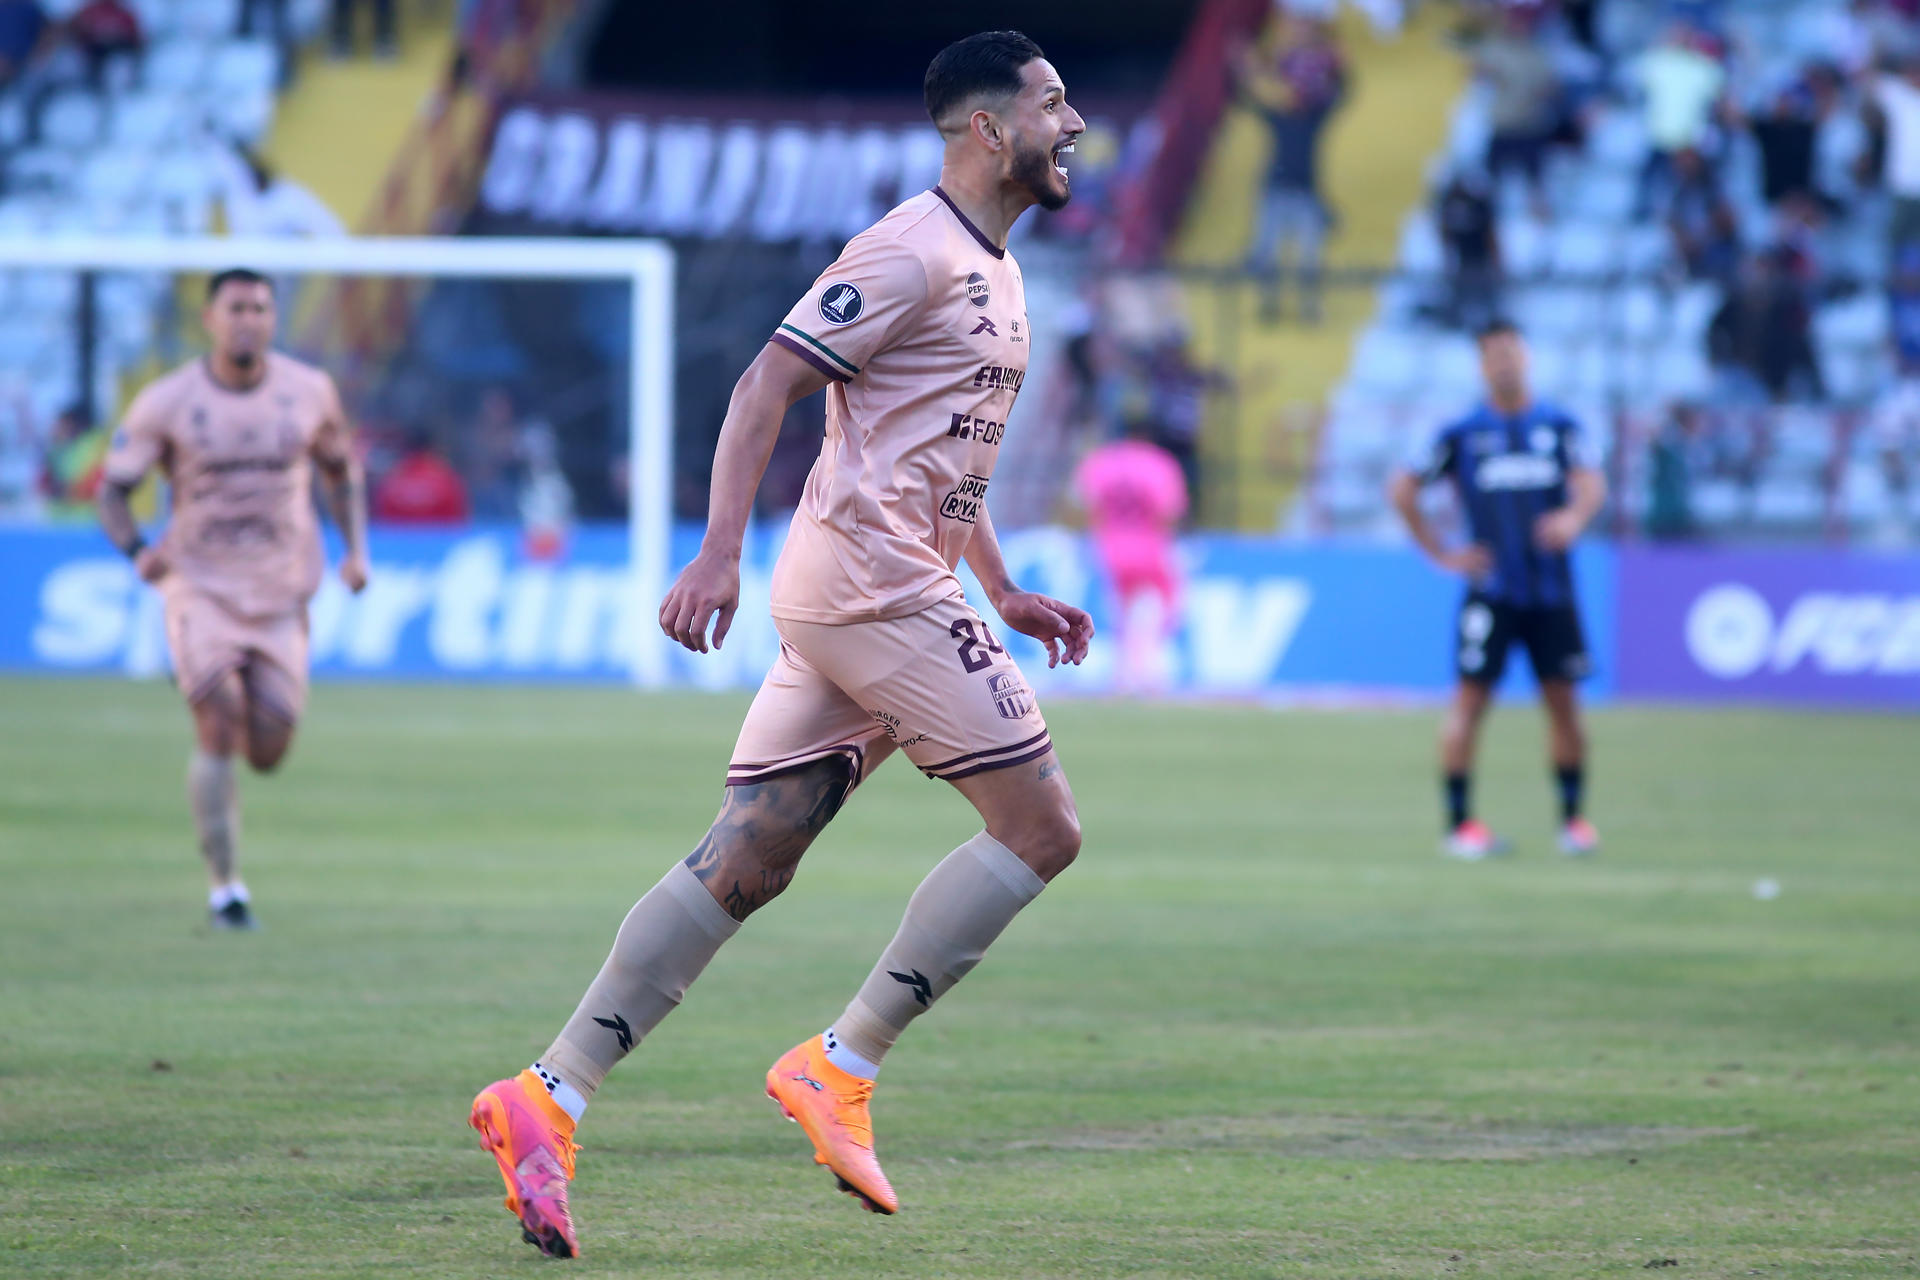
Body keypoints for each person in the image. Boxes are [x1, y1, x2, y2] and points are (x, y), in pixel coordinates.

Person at [466, 31, 1092, 1259]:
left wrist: (1005, 586)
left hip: (874, 580)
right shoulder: (909, 252)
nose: (1073, 123)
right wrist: (715, 553)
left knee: (748, 855)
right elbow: (765, 385)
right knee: (1042, 828)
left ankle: (546, 1093)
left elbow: (936, 464)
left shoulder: (998, 267)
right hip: (872, 587)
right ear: (986, 128)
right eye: (1053, 103)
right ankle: (840, 1061)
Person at [95, 270, 370, 930]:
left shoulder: (308, 392)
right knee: (217, 720)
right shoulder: (167, 401)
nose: (248, 319)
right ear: (210, 319)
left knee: (268, 751)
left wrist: (356, 551)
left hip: (280, 593)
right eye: (235, 308)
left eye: (260, 308)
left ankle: (214, 679)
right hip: (200, 584)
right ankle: (227, 890)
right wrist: (139, 551)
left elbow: (341, 471)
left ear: (272, 319)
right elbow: (113, 488)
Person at [1387, 320, 1606, 860]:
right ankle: (1460, 825)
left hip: (1552, 590)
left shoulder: (1558, 426)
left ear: (1526, 357)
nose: (1504, 363)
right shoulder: (1461, 434)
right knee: (1469, 702)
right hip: (1490, 591)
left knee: (1564, 705)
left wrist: (1575, 518)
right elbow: (1403, 488)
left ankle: (1573, 820)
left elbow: (1591, 480)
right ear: (1481, 366)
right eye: (1493, 355)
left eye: (1511, 352)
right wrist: (1441, 554)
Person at [1237, 13, 1346, 323]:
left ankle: (1310, 307)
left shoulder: (1313, 119)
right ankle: (1268, 305)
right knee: (1266, 256)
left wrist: (1337, 63)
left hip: (1305, 193)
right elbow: (1245, 99)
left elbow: (1341, 93)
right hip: (1275, 192)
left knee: (1309, 260)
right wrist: (1243, 70)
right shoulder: (1279, 117)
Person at [1075, 425, 1188, 692]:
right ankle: (1146, 672)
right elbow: (1169, 511)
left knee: (1121, 614)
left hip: (1110, 547)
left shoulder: (1101, 461)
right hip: (1149, 547)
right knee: (1155, 609)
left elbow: (1087, 505)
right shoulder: (1159, 463)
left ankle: (1123, 673)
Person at [372, 428, 468, 525]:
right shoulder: (446, 479)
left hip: (398, 538)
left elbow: (383, 521)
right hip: (437, 538)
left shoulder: (392, 480)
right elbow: (457, 522)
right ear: (432, 449)